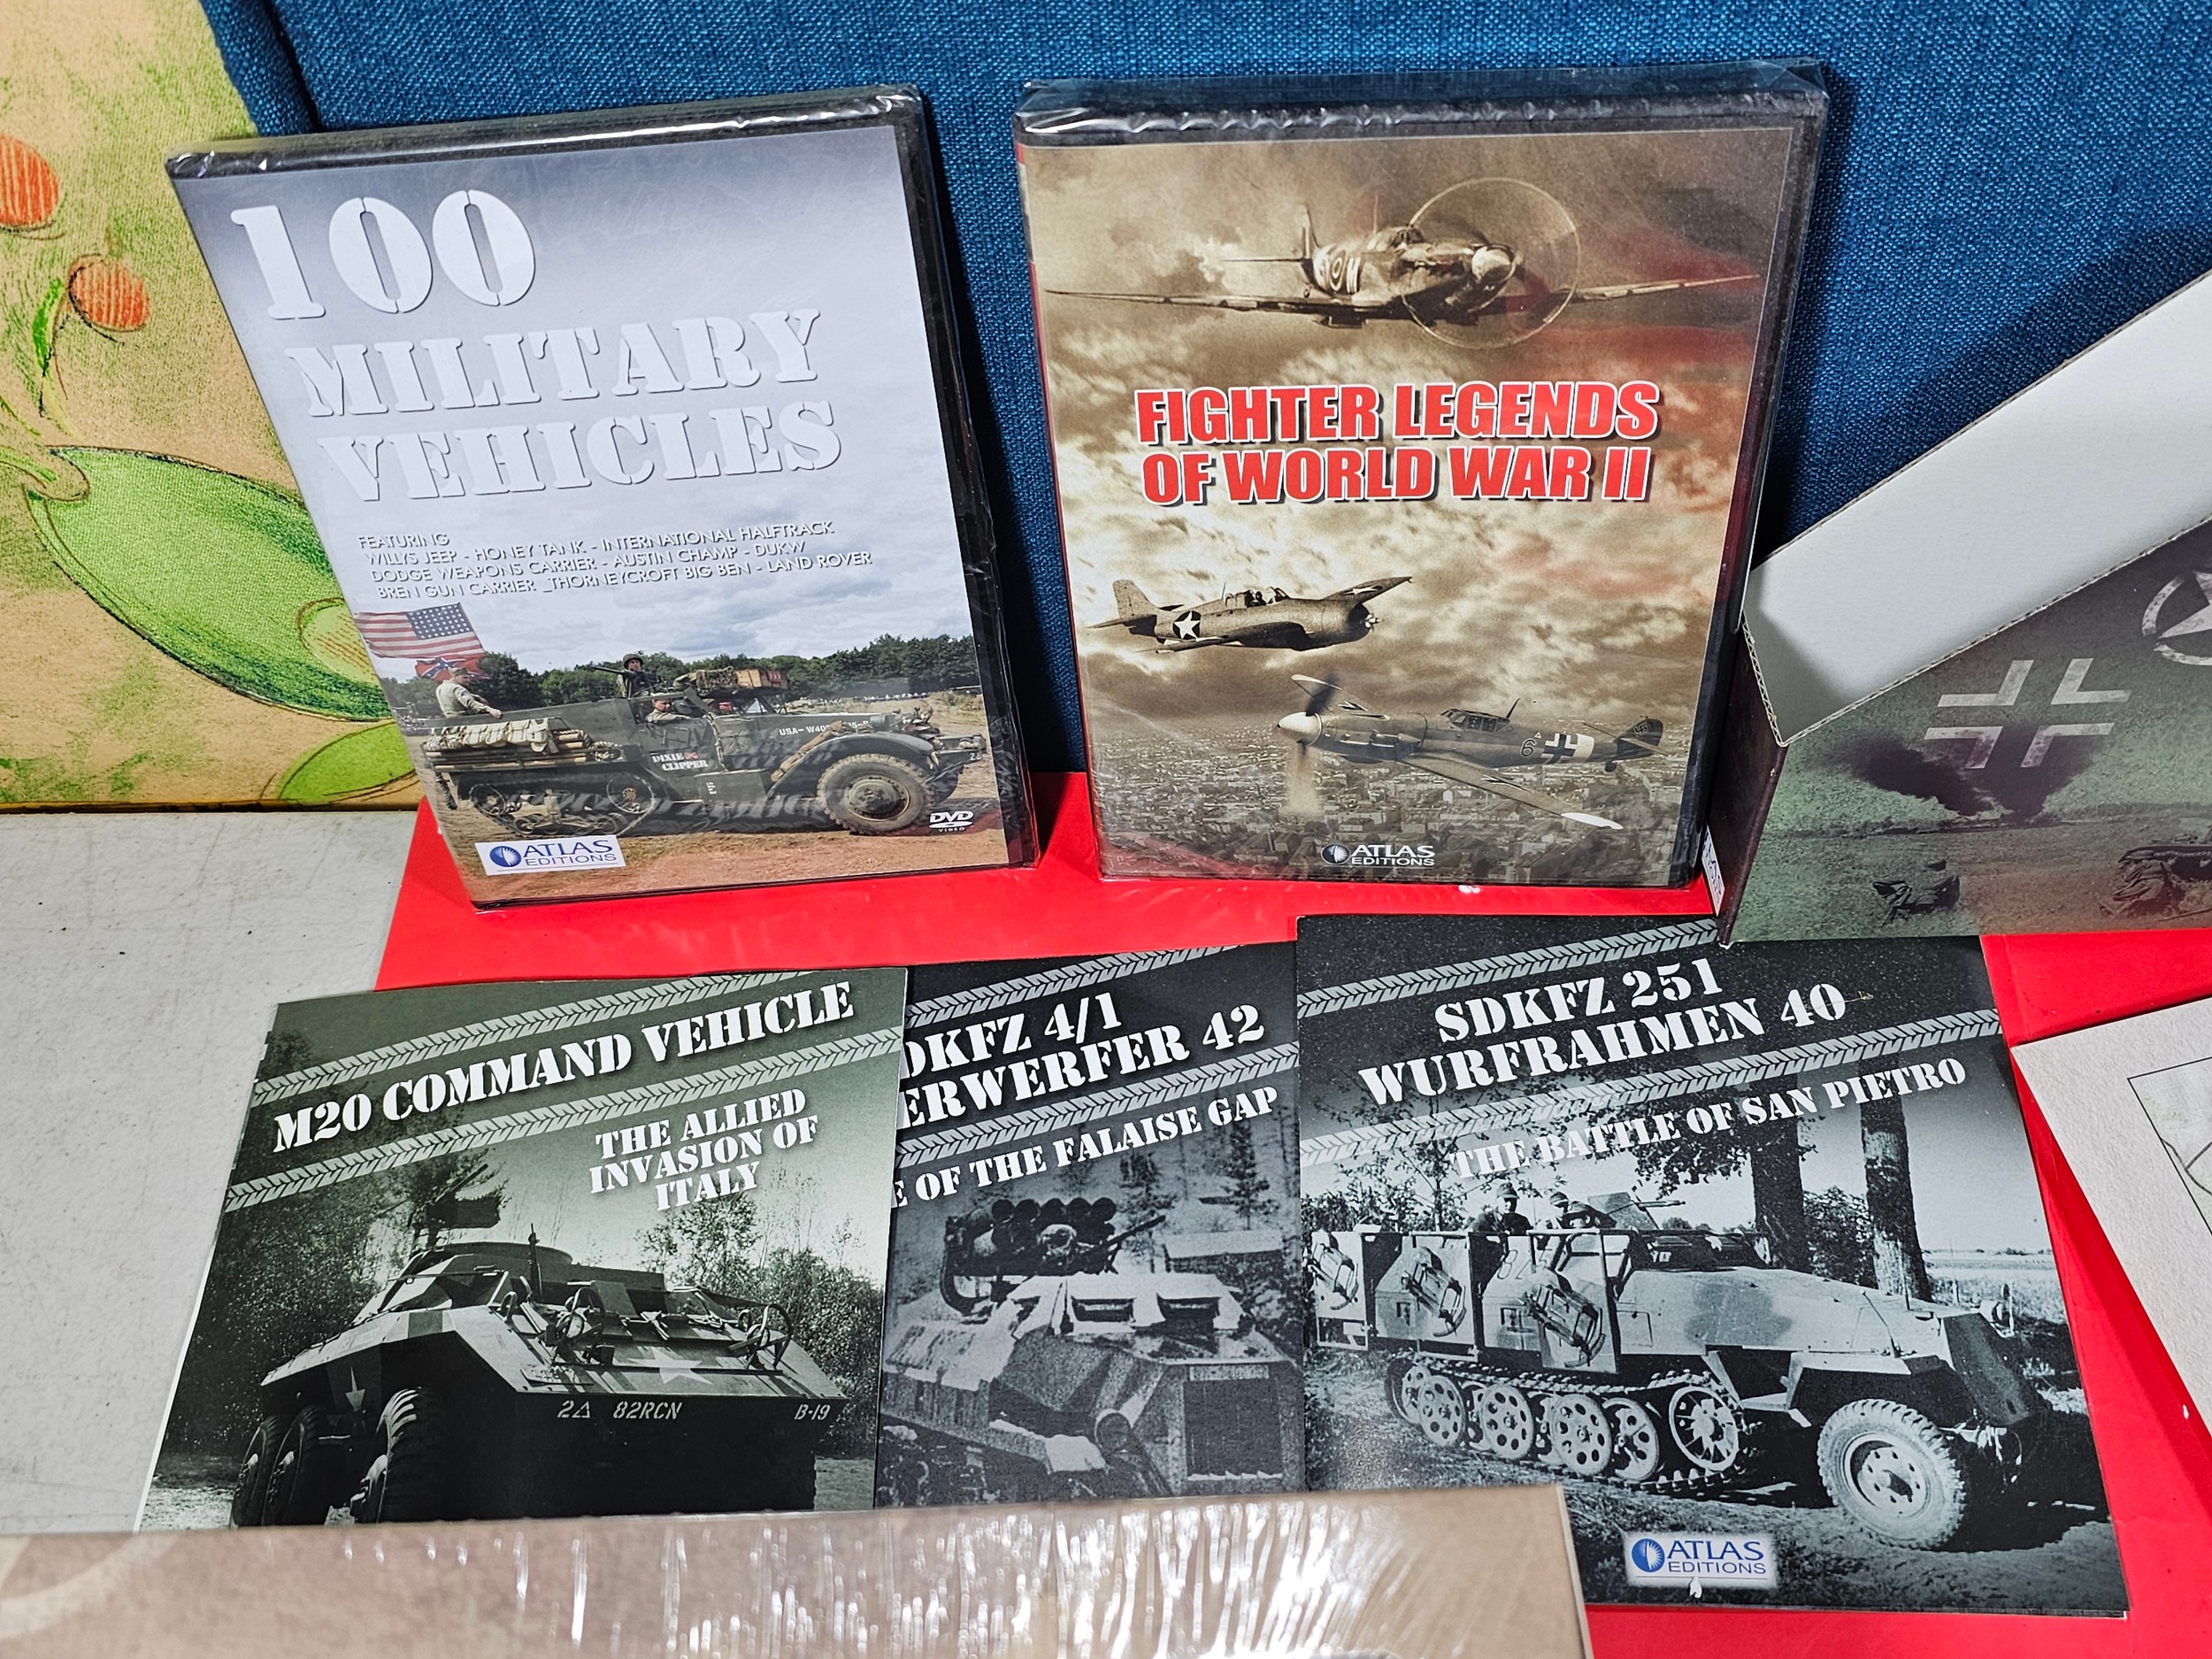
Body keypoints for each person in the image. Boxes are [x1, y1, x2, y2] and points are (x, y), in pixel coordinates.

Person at [434, 672, 499, 719]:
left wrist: (477, 697)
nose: (468, 680)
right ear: (455, 676)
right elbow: (470, 703)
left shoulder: (440, 688)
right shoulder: (458, 688)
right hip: (464, 720)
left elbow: (453, 696)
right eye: (465, 678)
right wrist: (490, 710)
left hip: (449, 720)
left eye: (469, 678)